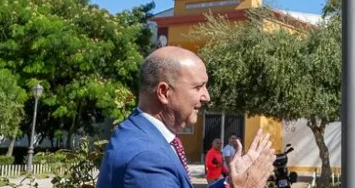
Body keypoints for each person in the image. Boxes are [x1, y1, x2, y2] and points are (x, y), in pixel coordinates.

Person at [97, 46, 275, 188]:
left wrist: (230, 183)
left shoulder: (140, 133)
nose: (207, 97)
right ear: (164, 93)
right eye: (198, 87)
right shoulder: (147, 161)